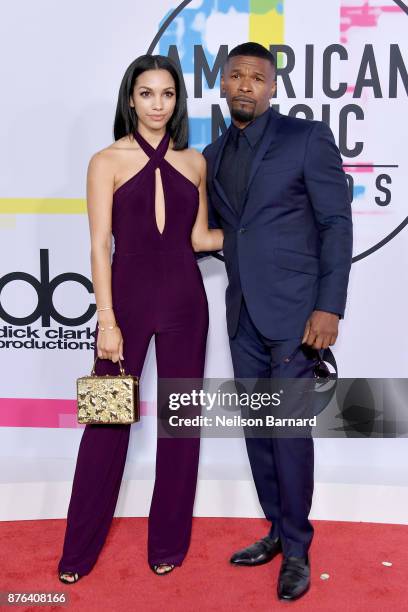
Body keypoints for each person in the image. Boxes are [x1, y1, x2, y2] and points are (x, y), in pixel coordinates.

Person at [57, 54, 223, 583]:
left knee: (181, 427)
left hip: (185, 304)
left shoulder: (195, 162)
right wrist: (106, 319)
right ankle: (77, 552)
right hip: (123, 306)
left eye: (167, 94)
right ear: (131, 98)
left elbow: (199, 239)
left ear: (177, 101)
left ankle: (168, 543)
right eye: (147, 93)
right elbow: (97, 245)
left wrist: (260, 234)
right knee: (105, 424)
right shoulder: (105, 160)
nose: (157, 104)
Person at [202, 42, 353, 602]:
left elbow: (336, 223)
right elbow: (220, 233)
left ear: (272, 87)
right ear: (222, 82)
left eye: (257, 78)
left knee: (289, 434)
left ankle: (297, 549)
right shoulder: (213, 153)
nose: (245, 86)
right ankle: (274, 527)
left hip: (297, 315)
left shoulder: (305, 138)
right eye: (236, 76)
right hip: (242, 313)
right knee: (259, 432)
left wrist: (329, 306)